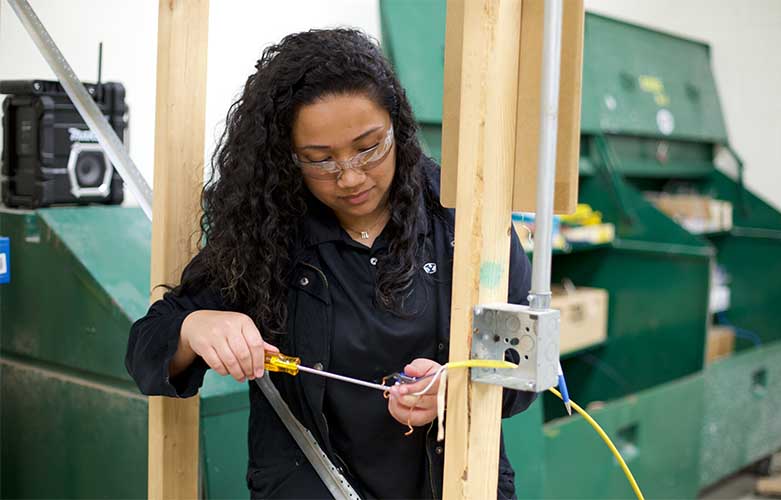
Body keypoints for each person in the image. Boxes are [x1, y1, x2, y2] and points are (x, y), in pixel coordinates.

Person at [126, 28, 534, 500]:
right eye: (320, 160)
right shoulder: (267, 234)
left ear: (397, 126)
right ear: (287, 158)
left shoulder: (465, 219)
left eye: (370, 146)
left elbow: (521, 371)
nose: (351, 176)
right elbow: (145, 349)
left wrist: (456, 388)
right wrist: (194, 327)